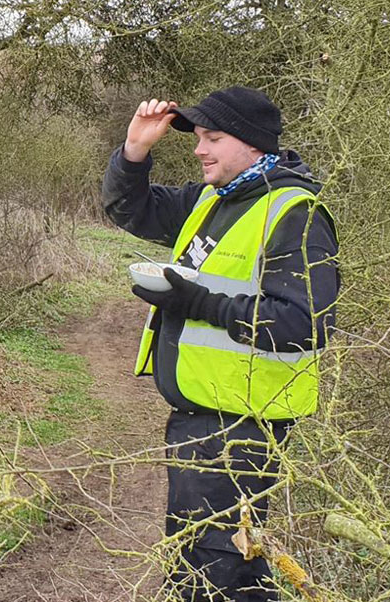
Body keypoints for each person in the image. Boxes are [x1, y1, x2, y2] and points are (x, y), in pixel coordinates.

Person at [101, 86, 339, 601]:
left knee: (209, 576)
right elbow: (129, 208)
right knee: (229, 571)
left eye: (213, 138)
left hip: (241, 429)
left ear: (253, 146)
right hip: (205, 420)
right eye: (198, 138)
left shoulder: (295, 214)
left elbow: (306, 325)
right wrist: (135, 150)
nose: (198, 149)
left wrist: (195, 302)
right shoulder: (214, 198)